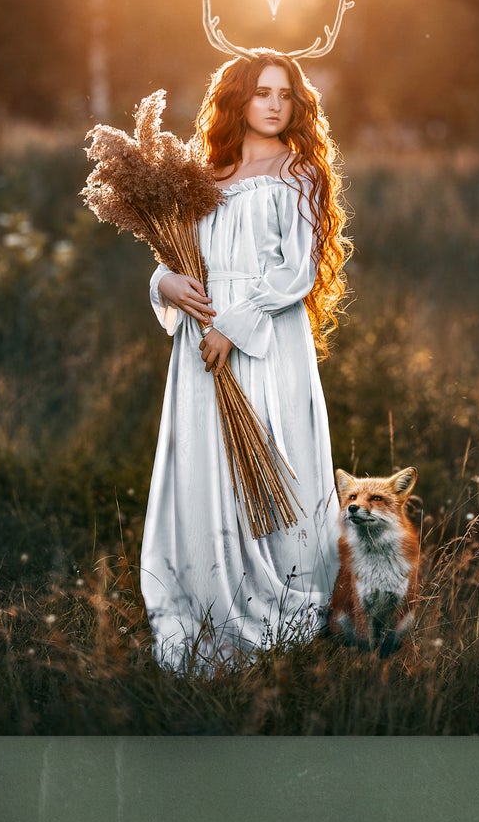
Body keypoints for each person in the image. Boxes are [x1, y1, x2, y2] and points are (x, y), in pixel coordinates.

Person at [141, 48, 349, 669]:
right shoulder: (202, 177)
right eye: (262, 93)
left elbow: (298, 270)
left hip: (262, 340)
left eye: (285, 94)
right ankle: (207, 593)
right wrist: (162, 284)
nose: (275, 104)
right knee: (208, 465)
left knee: (273, 453)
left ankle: (284, 596)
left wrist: (233, 327)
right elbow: (178, 256)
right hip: (198, 343)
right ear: (237, 99)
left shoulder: (301, 175)